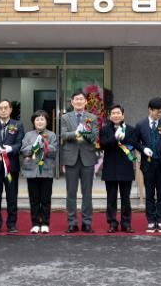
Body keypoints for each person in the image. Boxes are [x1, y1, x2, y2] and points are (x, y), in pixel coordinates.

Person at [60, 90, 99, 233]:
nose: (79, 101)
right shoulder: (65, 117)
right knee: (71, 193)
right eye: (76, 99)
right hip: (71, 158)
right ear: (72, 102)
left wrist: (85, 132)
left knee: (87, 193)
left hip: (87, 158)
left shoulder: (92, 117)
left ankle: (87, 222)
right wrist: (76, 133)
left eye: (81, 99)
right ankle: (72, 223)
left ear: (85, 101)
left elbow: (94, 136)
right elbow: (63, 134)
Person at [134, 97, 161, 233]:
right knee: (150, 193)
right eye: (158, 112)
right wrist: (143, 149)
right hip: (148, 164)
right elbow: (136, 142)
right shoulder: (141, 125)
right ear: (150, 110)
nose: (160, 114)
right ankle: (151, 220)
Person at [0, 99, 24, 233]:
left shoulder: (18, 125)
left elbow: (20, 143)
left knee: (12, 196)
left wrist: (11, 148)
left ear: (11, 110)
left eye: (6, 108)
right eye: (0, 108)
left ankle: (12, 224)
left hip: (11, 166)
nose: (3, 110)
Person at [99, 105, 136, 233]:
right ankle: (112, 223)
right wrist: (115, 138)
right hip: (110, 168)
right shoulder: (104, 130)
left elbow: (133, 144)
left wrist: (123, 137)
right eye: (113, 113)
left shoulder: (130, 129)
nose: (116, 115)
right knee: (111, 198)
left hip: (126, 168)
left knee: (126, 198)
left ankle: (126, 223)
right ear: (110, 116)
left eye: (118, 113)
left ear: (123, 115)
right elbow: (103, 145)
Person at [21, 110, 58, 234]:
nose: (40, 122)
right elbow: (24, 150)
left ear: (46, 121)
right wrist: (34, 147)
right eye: (37, 119)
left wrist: (43, 145)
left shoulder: (52, 135)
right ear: (33, 122)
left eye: (42, 119)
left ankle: (45, 223)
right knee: (34, 199)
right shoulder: (28, 135)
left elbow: (54, 151)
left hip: (46, 171)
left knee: (45, 199)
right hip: (32, 172)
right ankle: (35, 223)